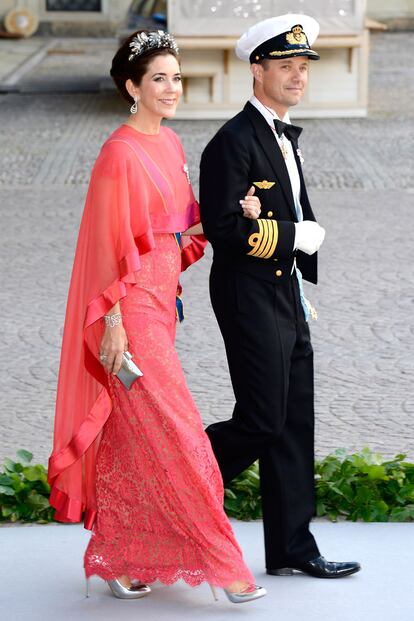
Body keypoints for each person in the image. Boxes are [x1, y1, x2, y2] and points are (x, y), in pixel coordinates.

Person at [47, 29, 266, 604]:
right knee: (181, 428)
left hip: (162, 307)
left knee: (130, 433)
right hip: (129, 313)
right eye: (158, 79)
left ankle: (121, 557)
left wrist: (235, 212)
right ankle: (226, 565)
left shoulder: (169, 145)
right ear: (132, 87)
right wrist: (113, 323)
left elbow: (180, 227)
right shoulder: (118, 155)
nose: (171, 88)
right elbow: (104, 248)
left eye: (176, 77)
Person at [199, 14, 361, 579]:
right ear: (257, 69)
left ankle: (293, 546)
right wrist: (297, 236)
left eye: (303, 67)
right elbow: (222, 229)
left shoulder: (283, 135)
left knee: (293, 421)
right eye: (285, 66)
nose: (297, 77)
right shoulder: (232, 142)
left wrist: (293, 248)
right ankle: (174, 475)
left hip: (285, 291)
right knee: (263, 420)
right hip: (247, 294)